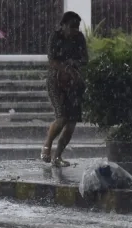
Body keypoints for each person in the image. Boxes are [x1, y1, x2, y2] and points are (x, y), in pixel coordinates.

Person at [40, 11, 89, 168]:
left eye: (77, 27)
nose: (75, 30)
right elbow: (52, 60)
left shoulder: (79, 38)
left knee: (72, 123)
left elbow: (85, 59)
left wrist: (73, 64)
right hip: (56, 81)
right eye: (72, 26)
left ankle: (57, 157)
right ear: (63, 25)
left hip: (74, 83)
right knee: (61, 118)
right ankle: (46, 146)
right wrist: (65, 69)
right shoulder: (55, 37)